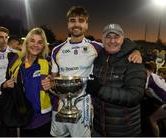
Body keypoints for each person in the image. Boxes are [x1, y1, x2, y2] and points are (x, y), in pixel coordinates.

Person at [50, 6, 142, 137]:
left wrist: (136, 50)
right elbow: (54, 79)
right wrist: (49, 82)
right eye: (72, 20)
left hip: (86, 108)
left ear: (86, 24)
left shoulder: (97, 47)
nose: (76, 24)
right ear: (68, 24)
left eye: (81, 20)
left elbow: (118, 45)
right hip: (60, 106)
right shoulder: (56, 50)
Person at [86, 23, 146, 136]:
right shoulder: (98, 58)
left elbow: (135, 96)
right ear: (102, 40)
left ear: (123, 38)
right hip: (98, 129)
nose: (112, 41)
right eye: (108, 37)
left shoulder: (133, 61)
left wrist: (100, 90)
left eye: (116, 37)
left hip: (125, 131)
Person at [0, 27, 52, 137]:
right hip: (21, 118)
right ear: (27, 43)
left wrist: (52, 85)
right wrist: (5, 85)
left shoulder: (48, 64)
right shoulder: (14, 61)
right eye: (32, 41)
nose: (35, 45)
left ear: (43, 46)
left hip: (42, 120)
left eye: (40, 42)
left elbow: (56, 88)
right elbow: (5, 84)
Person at [145, 61, 166, 137]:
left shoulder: (149, 78)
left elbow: (145, 92)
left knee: (152, 119)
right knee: (163, 118)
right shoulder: (155, 76)